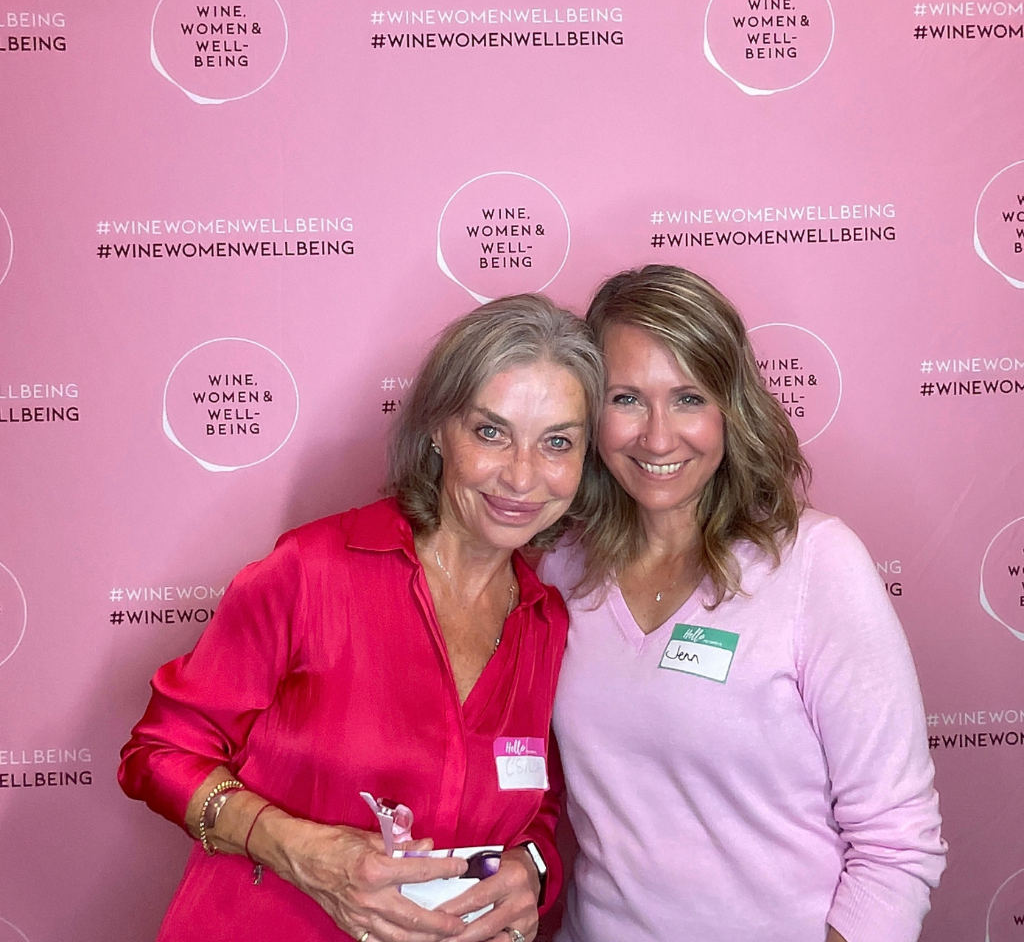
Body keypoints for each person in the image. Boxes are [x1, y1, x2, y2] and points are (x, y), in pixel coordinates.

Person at [119, 294, 604, 942]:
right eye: (491, 432)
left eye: (556, 443)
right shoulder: (312, 571)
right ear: (437, 430)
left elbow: (536, 804)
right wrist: (302, 851)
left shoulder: (545, 625)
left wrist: (533, 869)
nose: (521, 476)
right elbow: (158, 752)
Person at [539, 265, 946, 942]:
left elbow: (898, 841)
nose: (659, 437)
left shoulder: (816, 564)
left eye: (690, 398)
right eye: (627, 399)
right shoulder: (559, 567)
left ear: (732, 407)